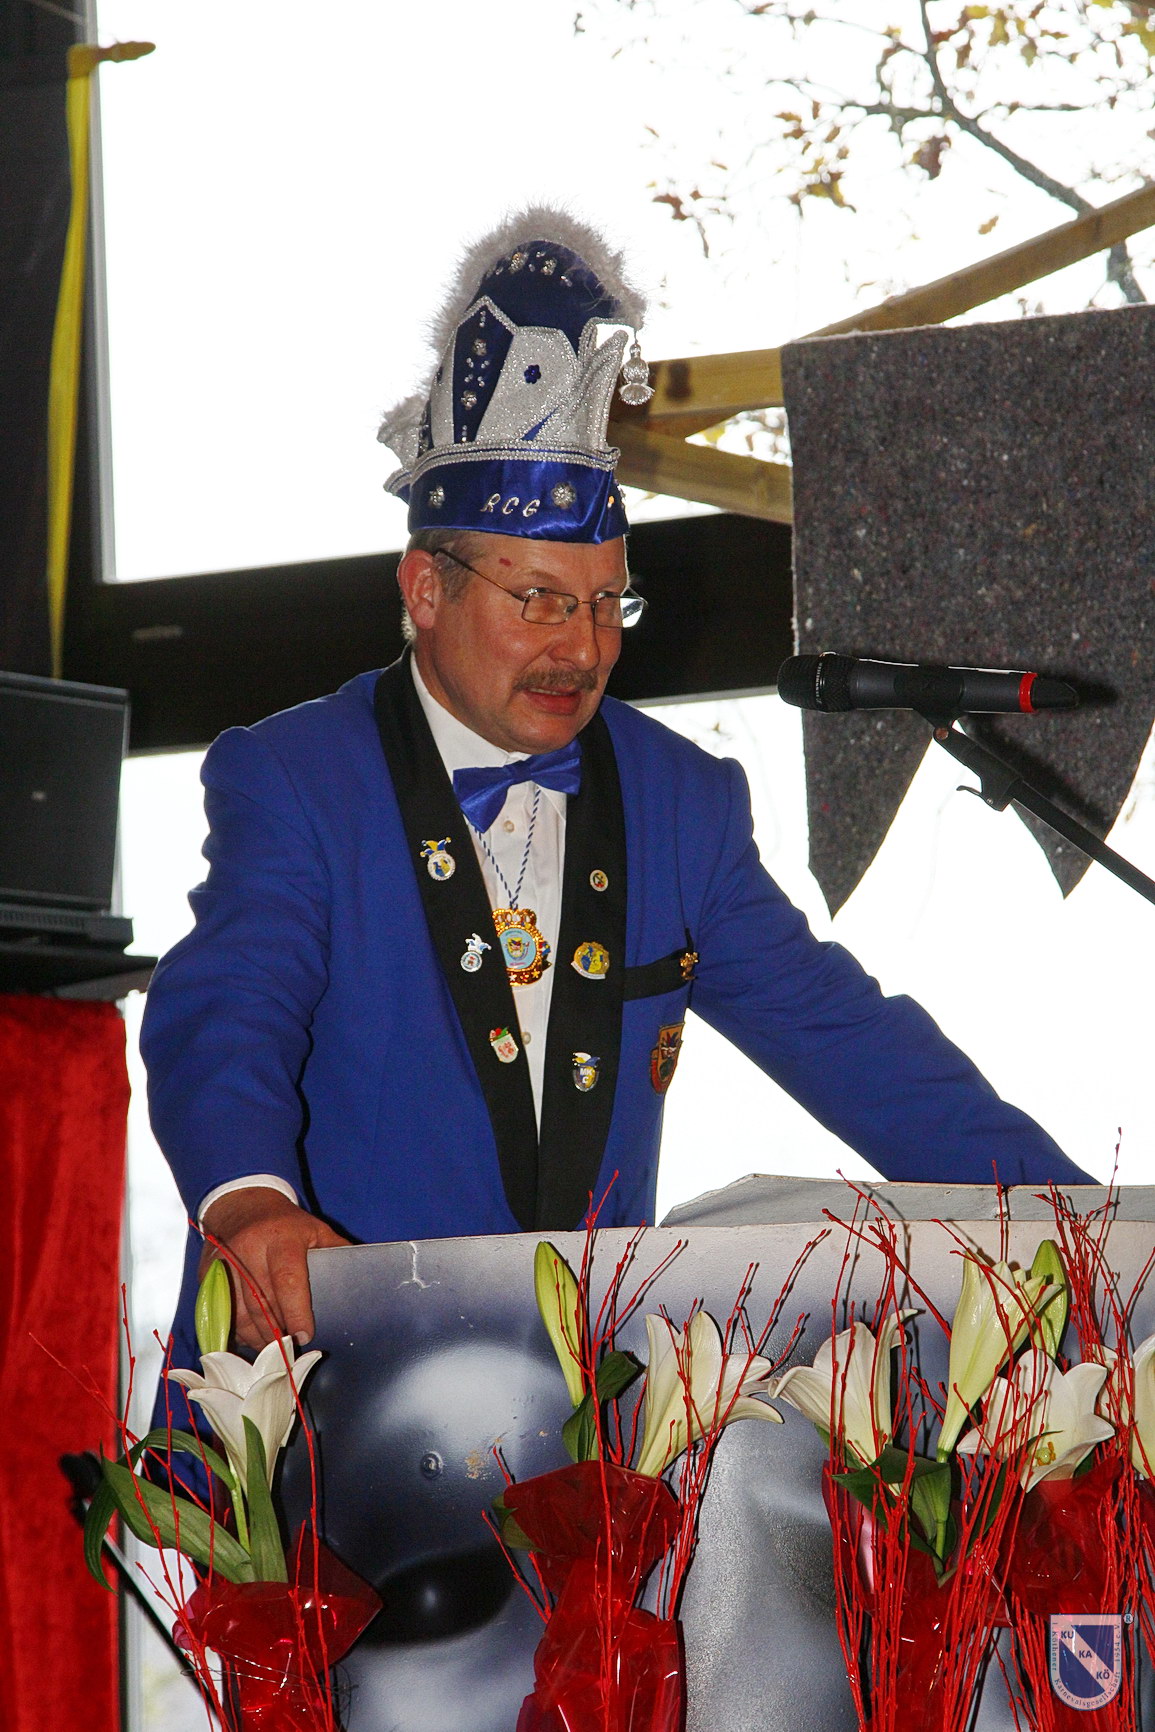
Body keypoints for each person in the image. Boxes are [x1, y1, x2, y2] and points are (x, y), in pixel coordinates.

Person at [141, 207, 1091, 1368]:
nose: (582, 648)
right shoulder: (297, 778)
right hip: (320, 1402)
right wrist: (247, 1201)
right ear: (426, 589)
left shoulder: (681, 802)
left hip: (586, 1434)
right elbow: (222, 1016)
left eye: (605, 603)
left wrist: (1089, 1239)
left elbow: (858, 1048)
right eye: (539, 599)